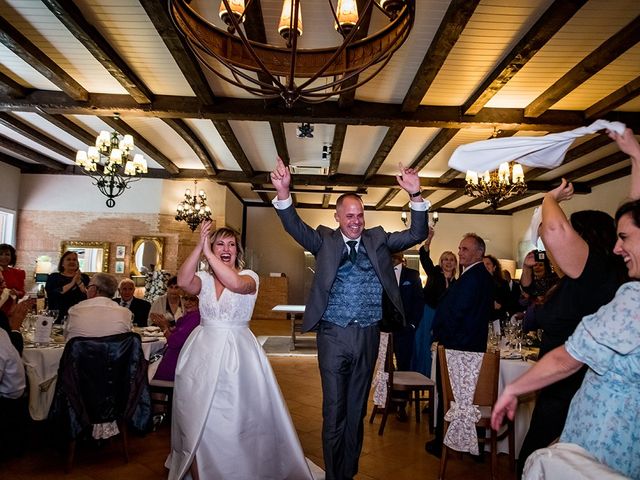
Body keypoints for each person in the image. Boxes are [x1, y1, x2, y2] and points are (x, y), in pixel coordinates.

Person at [492, 128, 640, 478]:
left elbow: (566, 359)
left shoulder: (597, 274)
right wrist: (635, 156)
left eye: (625, 238)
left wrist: (550, 198)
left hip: (599, 427)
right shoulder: (615, 274)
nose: (621, 246)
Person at [270, 156, 428, 480]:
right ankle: (332, 475)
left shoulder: (379, 239)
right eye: (349, 215)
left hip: (369, 335)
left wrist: (416, 196)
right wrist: (284, 193)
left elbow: (416, 233)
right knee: (334, 410)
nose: (356, 221)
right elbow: (293, 226)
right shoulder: (323, 240)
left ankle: (347, 474)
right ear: (338, 216)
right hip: (333, 336)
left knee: (356, 410)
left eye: (360, 215)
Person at [167, 222, 313, 480]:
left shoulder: (250, 277)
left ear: (238, 251)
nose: (226, 249)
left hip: (238, 353)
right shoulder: (205, 280)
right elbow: (182, 281)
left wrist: (209, 254)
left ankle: (240, 467)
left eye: (231, 245)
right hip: (202, 352)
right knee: (196, 412)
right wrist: (199, 247)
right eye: (220, 243)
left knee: (235, 413)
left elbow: (234, 284)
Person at [514, 181, 627, 477]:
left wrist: (550, 198)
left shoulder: (594, 275)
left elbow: (553, 230)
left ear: (586, 240)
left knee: (540, 465)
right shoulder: (575, 280)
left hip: (572, 389)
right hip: (558, 390)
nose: (549, 248)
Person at [426, 232, 495, 457]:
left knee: (449, 396)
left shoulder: (474, 277)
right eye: (459, 248)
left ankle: (443, 444)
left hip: (458, 347)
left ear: (479, 252)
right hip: (465, 345)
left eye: (464, 249)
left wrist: (442, 336)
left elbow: (457, 312)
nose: (459, 252)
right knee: (461, 397)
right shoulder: (475, 275)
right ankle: (461, 441)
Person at [414, 227, 457, 376]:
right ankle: (422, 374)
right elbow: (424, 258)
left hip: (444, 318)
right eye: (445, 259)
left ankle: (436, 375)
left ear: (455, 264)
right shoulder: (434, 273)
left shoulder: (456, 283)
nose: (448, 262)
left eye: (451, 260)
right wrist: (429, 239)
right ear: (441, 261)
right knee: (424, 344)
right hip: (428, 313)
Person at [390, 251, 424, 421]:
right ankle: (389, 401)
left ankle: (401, 405)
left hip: (405, 329)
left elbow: (419, 302)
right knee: (386, 368)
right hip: (385, 330)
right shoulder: (381, 272)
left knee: (403, 366)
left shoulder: (412, 275)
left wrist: (412, 325)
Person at [64, 273, 132, 341]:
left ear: (94, 289)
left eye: (88, 287)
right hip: (113, 351)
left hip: (81, 351)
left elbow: (66, 337)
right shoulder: (125, 313)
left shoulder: (75, 310)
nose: (87, 291)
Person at [151, 294, 200, 382]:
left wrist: (164, 328)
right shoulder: (189, 316)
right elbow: (176, 333)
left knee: (149, 374)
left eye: (192, 300)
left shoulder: (195, 317)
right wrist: (166, 324)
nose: (188, 302)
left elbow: (174, 342)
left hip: (178, 359)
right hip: (177, 355)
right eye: (186, 298)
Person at [45, 251, 90, 323]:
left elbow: (89, 296)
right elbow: (55, 294)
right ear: (62, 263)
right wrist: (73, 282)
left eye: (74, 260)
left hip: (79, 316)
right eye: (68, 259)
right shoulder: (54, 277)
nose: (72, 261)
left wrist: (79, 283)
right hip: (58, 316)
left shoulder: (85, 277)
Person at [483, 254, 510, 322]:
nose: (485, 266)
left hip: (498, 319)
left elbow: (508, 303)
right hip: (481, 320)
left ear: (494, 267)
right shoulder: (475, 284)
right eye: (483, 264)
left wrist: (499, 306)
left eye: (488, 264)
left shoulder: (503, 283)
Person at [0, 244, 25, 315]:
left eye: (7, 254)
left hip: (10, 311)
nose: (3, 257)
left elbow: (22, 292)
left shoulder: (18, 273)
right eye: (0, 254)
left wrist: (16, 292)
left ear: (12, 257)